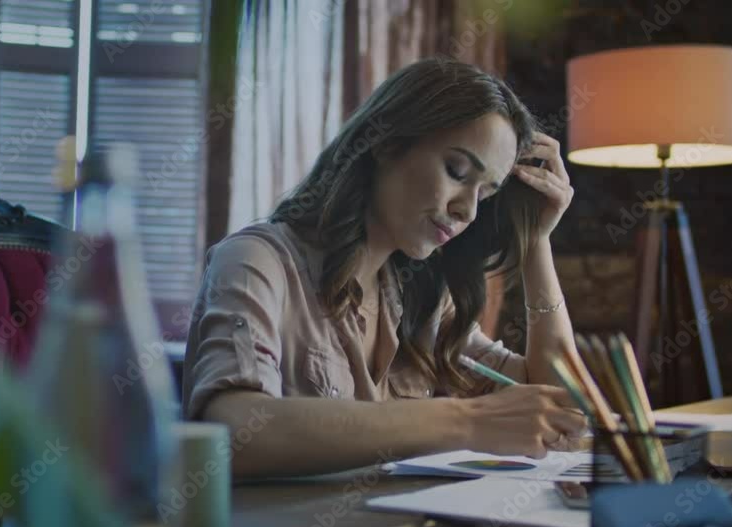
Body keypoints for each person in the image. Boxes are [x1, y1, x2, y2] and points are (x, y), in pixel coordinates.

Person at [181, 58, 586, 478]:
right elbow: (232, 431)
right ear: (388, 143)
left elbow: (561, 406)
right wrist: (466, 421)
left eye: (484, 194)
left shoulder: (424, 297)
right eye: (457, 171)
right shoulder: (256, 262)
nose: (467, 210)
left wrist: (535, 239)